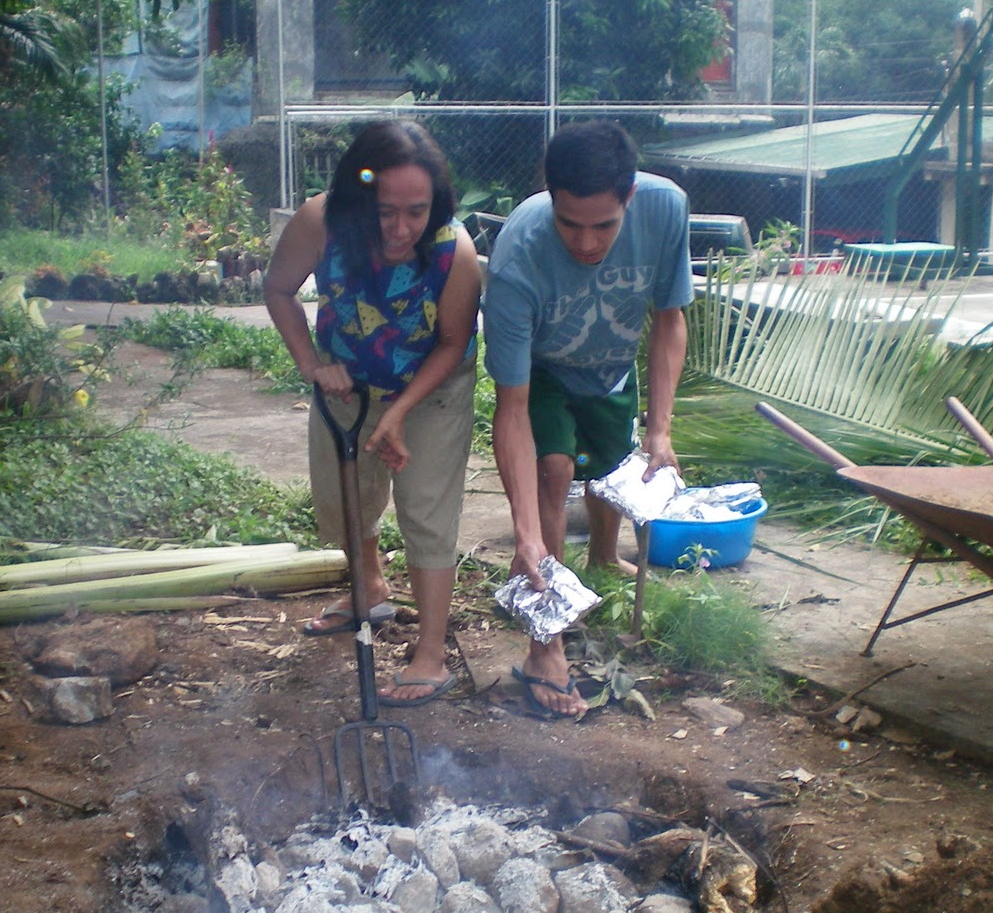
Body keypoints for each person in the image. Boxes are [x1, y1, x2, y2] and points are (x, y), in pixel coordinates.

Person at [262, 120, 481, 705]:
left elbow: (452, 343)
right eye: (385, 212)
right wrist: (312, 364)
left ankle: (430, 655)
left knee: (426, 510)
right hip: (348, 383)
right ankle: (370, 587)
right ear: (360, 198)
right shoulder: (321, 221)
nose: (401, 228)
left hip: (432, 387)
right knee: (345, 498)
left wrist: (401, 410)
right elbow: (278, 289)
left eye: (416, 211)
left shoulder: (454, 251)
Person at [482, 120, 694, 717]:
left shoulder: (665, 209)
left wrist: (660, 429)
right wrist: (525, 534)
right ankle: (546, 642)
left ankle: (602, 555)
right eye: (569, 223)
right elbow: (512, 409)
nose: (585, 242)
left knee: (608, 465)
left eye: (603, 225)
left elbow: (670, 317)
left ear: (630, 197)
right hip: (544, 366)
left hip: (612, 361)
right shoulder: (518, 257)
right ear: (549, 197)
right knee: (553, 470)